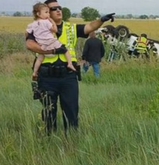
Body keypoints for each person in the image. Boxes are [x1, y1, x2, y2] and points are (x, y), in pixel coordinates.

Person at [25, 0, 115, 134]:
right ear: (45, 12)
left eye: (59, 7)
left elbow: (89, 26)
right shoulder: (38, 27)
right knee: (49, 111)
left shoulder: (71, 28)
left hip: (68, 76)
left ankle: (71, 142)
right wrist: (52, 51)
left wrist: (102, 20)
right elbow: (30, 44)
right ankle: (48, 140)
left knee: (71, 111)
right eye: (53, 8)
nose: (58, 10)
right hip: (47, 77)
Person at [26, 2, 76, 81]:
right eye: (46, 12)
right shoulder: (46, 22)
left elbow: (27, 32)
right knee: (65, 49)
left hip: (41, 45)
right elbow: (54, 30)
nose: (48, 14)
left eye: (49, 12)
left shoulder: (33, 24)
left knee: (39, 58)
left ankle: (35, 72)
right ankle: (70, 64)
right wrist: (52, 22)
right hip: (51, 42)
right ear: (38, 14)